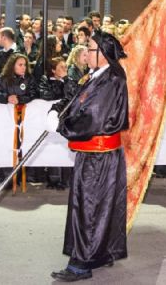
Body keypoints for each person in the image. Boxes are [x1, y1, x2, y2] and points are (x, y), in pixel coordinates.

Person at [48, 30, 129, 282]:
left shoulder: (111, 79)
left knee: (89, 207)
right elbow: (77, 101)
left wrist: (62, 126)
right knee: (98, 206)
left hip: (98, 156)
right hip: (94, 153)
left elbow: (92, 117)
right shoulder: (98, 76)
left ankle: (82, 263)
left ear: (103, 54)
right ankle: (99, 253)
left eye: (90, 48)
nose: (85, 53)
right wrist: (56, 110)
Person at [0, 53, 38, 184]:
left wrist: (20, 99)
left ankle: (26, 175)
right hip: (7, 121)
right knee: (8, 145)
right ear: (13, 66)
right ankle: (7, 176)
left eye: (25, 65)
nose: (23, 67)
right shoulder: (4, 78)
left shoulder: (29, 79)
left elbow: (34, 94)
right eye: (20, 65)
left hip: (25, 120)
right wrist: (7, 98)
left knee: (25, 144)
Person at [39, 57, 75, 190]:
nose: (64, 70)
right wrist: (60, 86)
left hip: (65, 121)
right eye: (61, 67)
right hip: (51, 119)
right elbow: (46, 95)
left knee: (64, 148)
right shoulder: (46, 81)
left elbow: (73, 95)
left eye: (66, 67)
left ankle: (66, 179)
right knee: (52, 148)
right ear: (53, 70)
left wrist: (65, 81)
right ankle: (53, 179)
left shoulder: (69, 81)